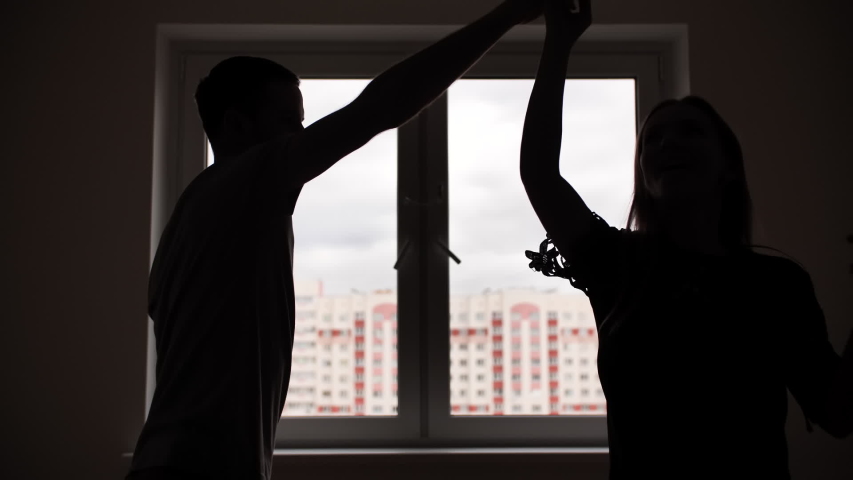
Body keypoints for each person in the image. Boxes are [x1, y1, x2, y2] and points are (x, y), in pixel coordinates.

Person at [126, 2, 545, 479]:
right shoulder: (246, 181)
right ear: (238, 125)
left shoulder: (193, 217)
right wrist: (508, 15)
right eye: (288, 120)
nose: (301, 135)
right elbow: (379, 108)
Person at [520, 0, 853, 478]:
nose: (667, 144)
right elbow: (539, 173)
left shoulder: (779, 284)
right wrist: (558, 40)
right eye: (653, 140)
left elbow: (838, 415)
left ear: (729, 167)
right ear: (644, 175)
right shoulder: (618, 264)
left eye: (689, 133)